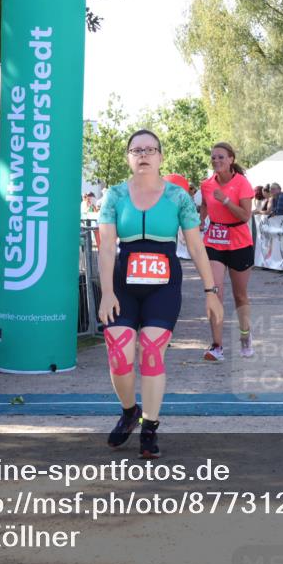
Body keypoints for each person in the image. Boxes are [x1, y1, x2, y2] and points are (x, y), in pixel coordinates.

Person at [97, 129, 222, 459]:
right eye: (136, 150)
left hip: (163, 285)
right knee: (119, 353)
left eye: (150, 150)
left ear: (161, 157)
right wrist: (106, 292)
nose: (143, 155)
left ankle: (150, 427)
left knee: (151, 351)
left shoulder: (178, 197)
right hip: (122, 285)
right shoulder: (114, 196)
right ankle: (130, 412)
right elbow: (107, 247)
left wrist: (211, 291)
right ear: (128, 157)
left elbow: (196, 246)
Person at [199, 141, 256, 362]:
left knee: (239, 295)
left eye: (221, 157)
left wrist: (225, 201)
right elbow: (205, 204)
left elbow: (245, 216)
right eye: (213, 157)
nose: (216, 161)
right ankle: (217, 346)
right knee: (214, 292)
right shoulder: (206, 185)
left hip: (239, 242)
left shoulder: (241, 183)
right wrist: (201, 220)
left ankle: (245, 337)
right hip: (214, 241)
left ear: (231, 159)